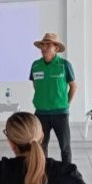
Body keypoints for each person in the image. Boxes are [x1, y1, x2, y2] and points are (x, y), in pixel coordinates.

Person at [29, 33, 77, 163]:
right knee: (40, 146)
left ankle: (67, 174)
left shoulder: (64, 65)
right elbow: (36, 85)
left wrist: (66, 103)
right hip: (40, 113)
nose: (44, 47)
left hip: (60, 113)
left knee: (65, 146)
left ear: (56, 48)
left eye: (48, 44)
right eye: (43, 44)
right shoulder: (35, 65)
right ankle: (42, 174)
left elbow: (73, 86)